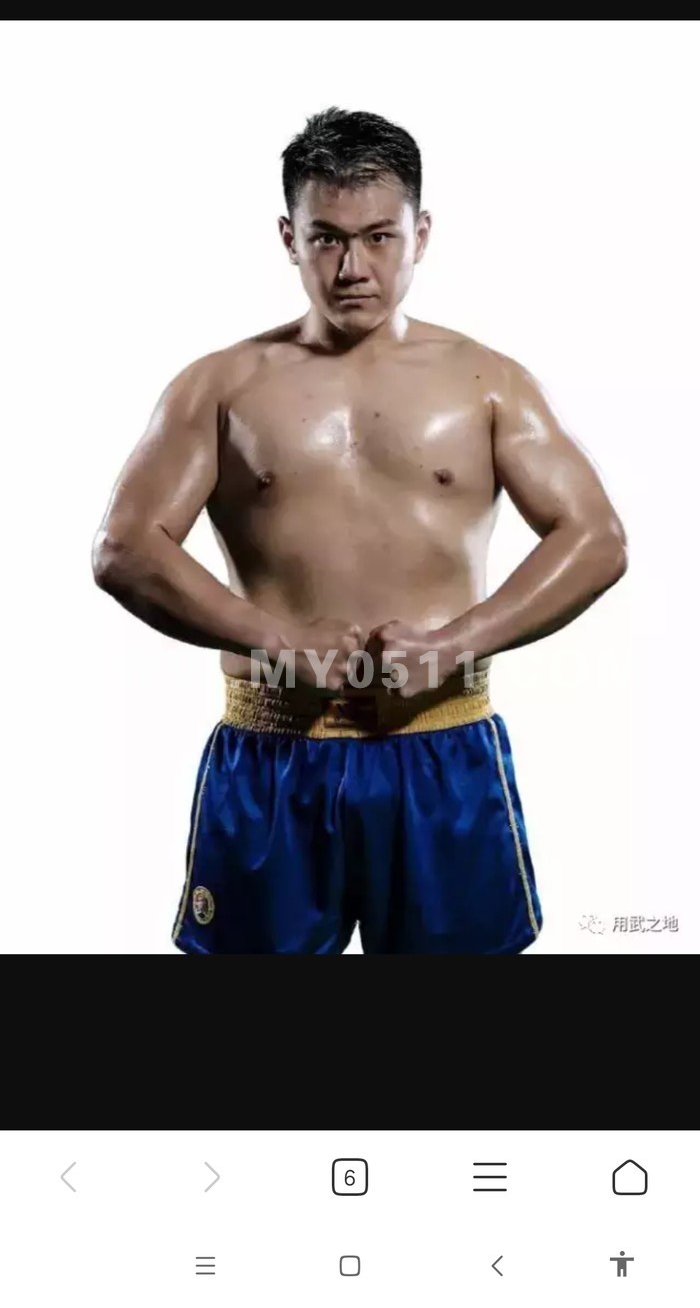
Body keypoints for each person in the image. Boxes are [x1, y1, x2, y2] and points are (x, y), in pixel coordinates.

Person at [92, 107, 628, 954]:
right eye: (327, 239)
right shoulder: (219, 386)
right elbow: (124, 548)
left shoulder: (488, 382)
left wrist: (455, 643)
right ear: (289, 237)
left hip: (441, 747)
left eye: (380, 237)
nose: (353, 267)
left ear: (422, 233)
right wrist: (275, 640)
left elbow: (596, 537)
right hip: (274, 750)